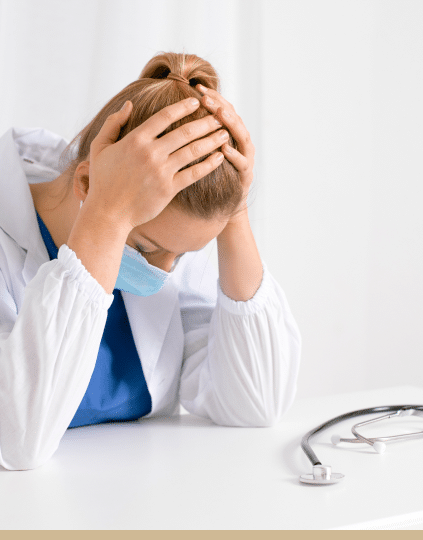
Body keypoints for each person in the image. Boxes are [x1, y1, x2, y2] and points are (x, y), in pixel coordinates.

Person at [0, 52, 301, 471]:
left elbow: (255, 403)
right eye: (144, 247)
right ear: (86, 182)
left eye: (182, 255)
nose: (162, 271)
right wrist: (106, 217)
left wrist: (233, 212)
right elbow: (16, 440)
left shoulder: (168, 240)